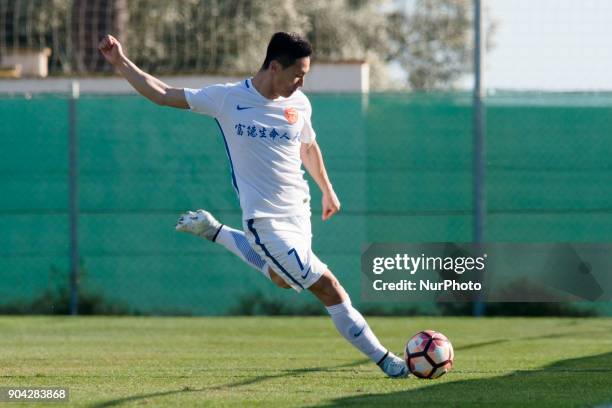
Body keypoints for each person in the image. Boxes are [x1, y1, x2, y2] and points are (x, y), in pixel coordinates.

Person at [98, 31, 407, 378]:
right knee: (328, 287)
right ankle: (385, 359)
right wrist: (120, 62)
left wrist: (327, 188)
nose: (302, 82)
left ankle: (216, 232)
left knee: (282, 279)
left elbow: (308, 146)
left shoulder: (300, 104)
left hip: (299, 214)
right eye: (298, 74)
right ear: (274, 66)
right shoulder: (228, 99)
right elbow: (164, 94)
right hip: (265, 222)